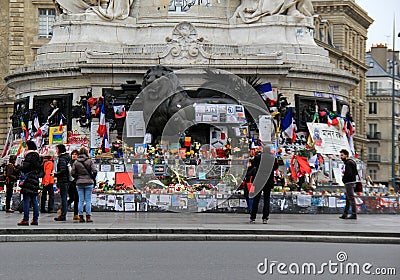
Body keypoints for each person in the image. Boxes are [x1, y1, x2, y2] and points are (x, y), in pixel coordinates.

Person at [249, 153, 279, 224]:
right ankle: (265, 217)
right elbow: (275, 167)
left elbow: (253, 164)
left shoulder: (258, 157)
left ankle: (253, 217)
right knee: (266, 200)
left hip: (258, 181)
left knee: (256, 199)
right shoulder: (273, 158)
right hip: (268, 181)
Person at [17, 140, 41, 226]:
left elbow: (25, 168)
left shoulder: (29, 156)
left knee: (26, 199)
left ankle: (26, 219)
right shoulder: (37, 156)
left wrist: (18, 166)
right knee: (34, 200)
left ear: (29, 147)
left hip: (28, 179)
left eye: (26, 146)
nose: (25, 148)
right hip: (35, 178)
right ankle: (35, 219)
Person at [71, 147, 97, 223]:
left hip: (79, 183)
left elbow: (72, 172)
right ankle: (88, 217)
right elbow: (94, 170)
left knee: (81, 200)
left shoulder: (76, 162)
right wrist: (92, 177)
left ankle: (81, 217)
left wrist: (77, 177)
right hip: (89, 182)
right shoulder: (90, 161)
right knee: (88, 200)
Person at [54, 144, 71, 221]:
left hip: (63, 180)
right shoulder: (67, 157)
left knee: (63, 198)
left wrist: (55, 174)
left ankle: (63, 215)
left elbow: (63, 170)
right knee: (64, 197)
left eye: (57, 149)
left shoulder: (62, 159)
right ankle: (63, 213)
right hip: (66, 180)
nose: (56, 151)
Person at [339, 149, 358, 220]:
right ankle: (345, 213)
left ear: (346, 155)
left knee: (351, 198)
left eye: (342, 155)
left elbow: (349, 173)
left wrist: (344, 179)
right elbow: (355, 172)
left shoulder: (348, 163)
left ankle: (354, 214)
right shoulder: (352, 162)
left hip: (349, 183)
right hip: (352, 182)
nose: (341, 157)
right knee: (348, 198)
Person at [67, 150, 80, 221]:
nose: (74, 156)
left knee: (76, 199)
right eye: (73, 154)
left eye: (76, 154)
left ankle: (76, 214)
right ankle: (63, 210)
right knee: (72, 198)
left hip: (76, 182)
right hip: (70, 183)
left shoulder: (78, 163)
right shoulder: (69, 163)